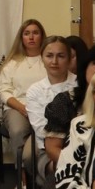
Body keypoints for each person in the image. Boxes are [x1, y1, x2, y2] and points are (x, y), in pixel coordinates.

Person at [0, 18, 47, 179]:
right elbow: (3, 92)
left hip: (44, 108)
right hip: (17, 108)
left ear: (42, 36)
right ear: (21, 38)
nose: (31, 37)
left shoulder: (49, 61)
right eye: (27, 33)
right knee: (18, 130)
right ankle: (23, 178)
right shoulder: (12, 64)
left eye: (35, 33)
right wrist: (22, 108)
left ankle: (43, 173)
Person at [25, 36, 77, 165]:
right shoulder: (35, 90)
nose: (54, 61)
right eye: (49, 56)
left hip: (80, 142)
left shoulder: (80, 84)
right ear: (42, 58)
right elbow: (40, 129)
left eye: (61, 56)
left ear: (69, 59)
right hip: (46, 147)